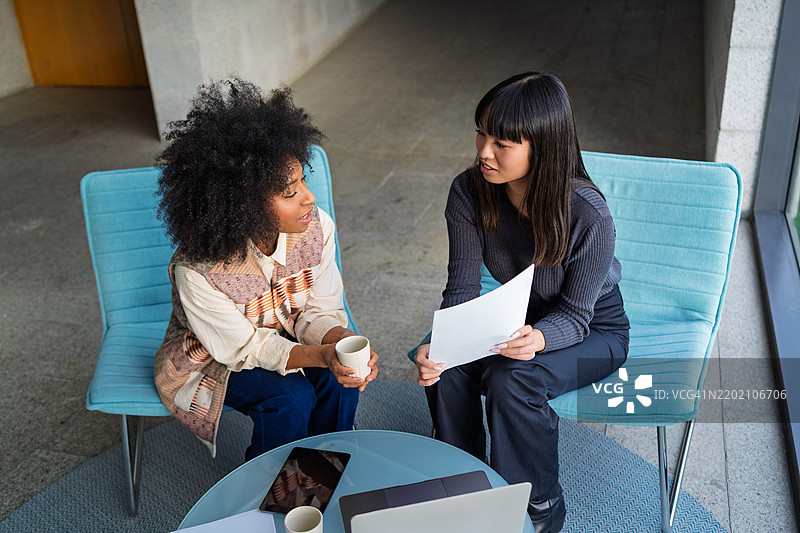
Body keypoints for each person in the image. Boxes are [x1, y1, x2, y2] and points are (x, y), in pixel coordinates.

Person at [414, 72, 629, 533]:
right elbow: (460, 290)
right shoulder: (468, 191)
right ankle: (465, 481)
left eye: (503, 143)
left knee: (512, 378)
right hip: (520, 312)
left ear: (543, 148)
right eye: (482, 132)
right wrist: (445, 344)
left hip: (594, 330)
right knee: (444, 360)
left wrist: (540, 338)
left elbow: (575, 316)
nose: (484, 151)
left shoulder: (588, 214)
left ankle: (538, 506)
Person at [153, 78, 378, 461]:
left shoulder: (315, 227)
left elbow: (315, 310)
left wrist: (340, 343)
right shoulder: (198, 270)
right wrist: (322, 355)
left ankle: (324, 469)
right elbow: (244, 348)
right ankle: (274, 490)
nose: (309, 197)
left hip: (284, 332)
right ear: (241, 205)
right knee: (290, 396)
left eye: (302, 180)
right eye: (289, 192)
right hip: (215, 356)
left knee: (339, 383)